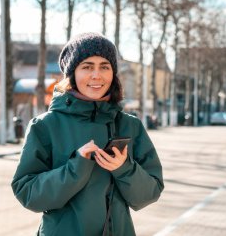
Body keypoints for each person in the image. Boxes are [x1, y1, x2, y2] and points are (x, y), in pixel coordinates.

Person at [11, 32, 164, 236]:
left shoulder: (130, 125)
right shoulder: (45, 126)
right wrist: (76, 168)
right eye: (87, 66)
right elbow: (28, 194)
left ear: (113, 73)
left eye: (104, 66)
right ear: (72, 73)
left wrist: (124, 169)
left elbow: (150, 193)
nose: (96, 75)